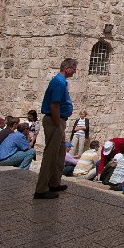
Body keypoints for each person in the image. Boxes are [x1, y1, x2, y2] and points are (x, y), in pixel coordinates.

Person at [34, 57, 77, 200]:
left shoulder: (61, 82)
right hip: (55, 121)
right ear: (67, 68)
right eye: (74, 68)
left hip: (58, 121)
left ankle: (54, 183)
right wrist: (58, 123)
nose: (75, 71)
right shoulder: (58, 82)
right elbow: (54, 105)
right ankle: (41, 189)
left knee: (59, 154)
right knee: (50, 155)